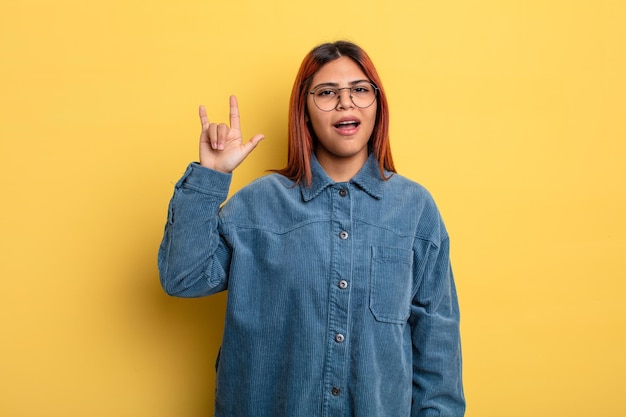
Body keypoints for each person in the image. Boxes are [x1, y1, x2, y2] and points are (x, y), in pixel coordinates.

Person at [158, 40, 465, 417]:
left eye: (360, 90)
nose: (345, 103)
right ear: (303, 111)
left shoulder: (415, 209)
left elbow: (438, 349)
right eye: (327, 93)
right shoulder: (258, 204)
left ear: (377, 106)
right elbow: (183, 278)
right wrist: (211, 176)